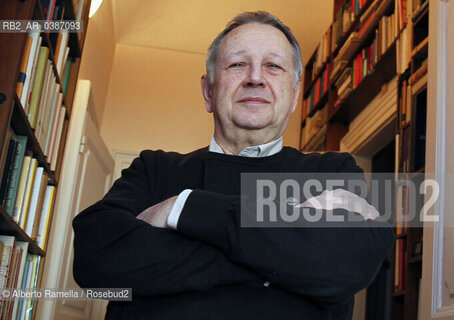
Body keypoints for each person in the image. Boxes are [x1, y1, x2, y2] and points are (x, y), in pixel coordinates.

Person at [73, 11, 394, 320]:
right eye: (238, 64)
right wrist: (286, 251)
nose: (255, 78)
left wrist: (184, 207)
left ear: (294, 95)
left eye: (273, 66)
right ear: (208, 91)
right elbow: (97, 262)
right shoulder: (153, 168)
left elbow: (346, 264)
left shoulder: (332, 172)